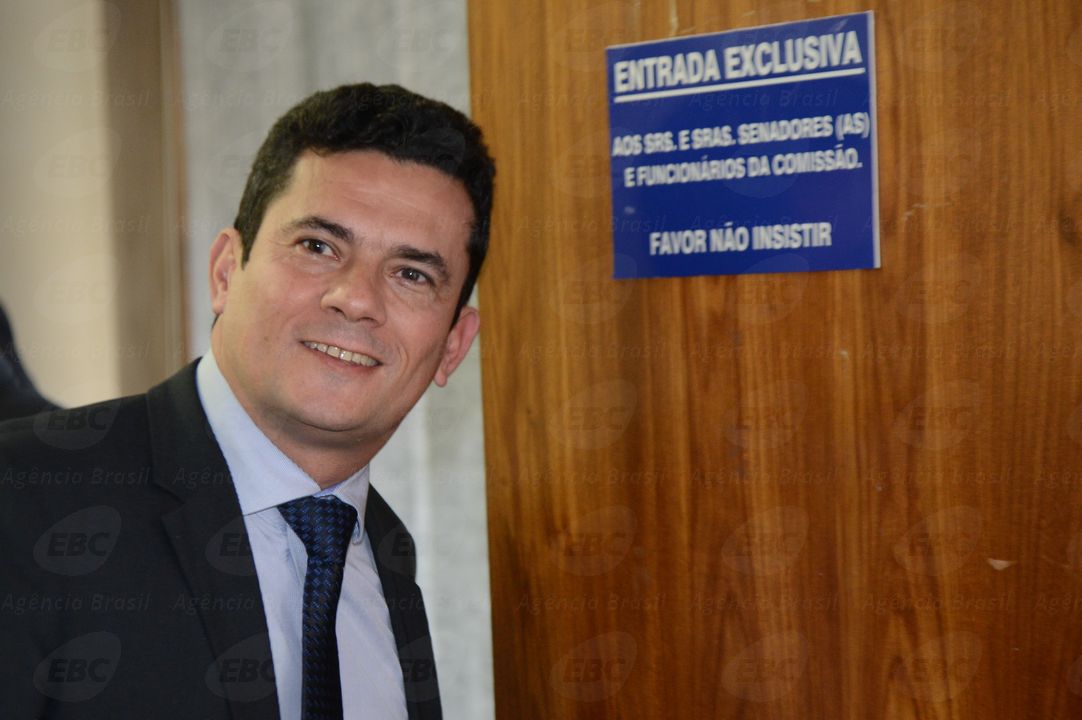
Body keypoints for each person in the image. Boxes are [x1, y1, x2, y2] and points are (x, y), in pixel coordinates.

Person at [0, 83, 494, 720]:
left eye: (411, 274)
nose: (356, 298)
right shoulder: (25, 494)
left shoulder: (386, 551)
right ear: (225, 272)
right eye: (318, 247)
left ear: (453, 345)